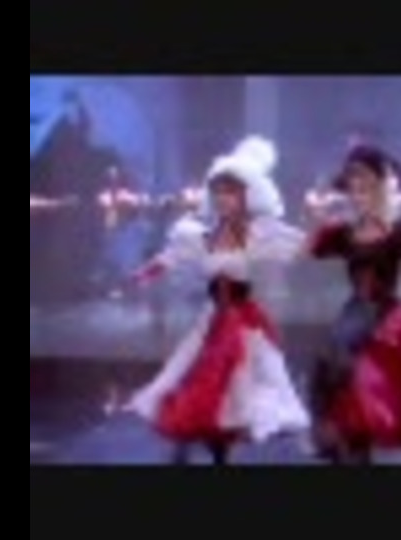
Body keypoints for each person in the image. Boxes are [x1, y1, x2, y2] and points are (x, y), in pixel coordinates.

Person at [123, 136, 311, 465]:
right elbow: (171, 257)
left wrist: (340, 239)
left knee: (236, 381)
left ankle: (217, 445)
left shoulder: (258, 234)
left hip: (241, 320)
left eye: (231, 192)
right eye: (219, 191)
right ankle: (199, 441)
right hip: (211, 319)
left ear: (247, 196)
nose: (223, 198)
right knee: (196, 374)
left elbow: (301, 245)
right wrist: (143, 275)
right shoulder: (200, 236)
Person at [305, 144, 401, 464]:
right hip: (354, 315)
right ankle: (342, 445)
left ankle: (357, 444)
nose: (359, 194)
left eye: (366, 186)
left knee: (364, 388)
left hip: (386, 322)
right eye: (353, 188)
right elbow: (305, 249)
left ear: (381, 189)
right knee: (333, 376)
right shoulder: (342, 234)